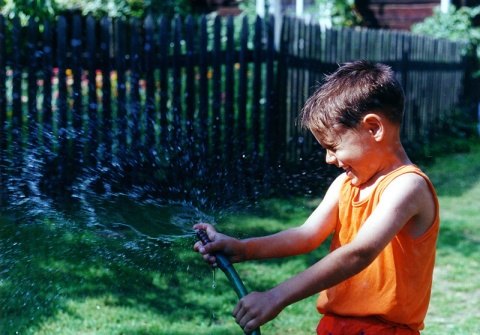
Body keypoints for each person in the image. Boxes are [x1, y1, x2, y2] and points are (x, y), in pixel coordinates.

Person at [193, 60, 440, 335]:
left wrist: (276, 296)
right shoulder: (344, 185)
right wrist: (243, 248)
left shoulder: (407, 186)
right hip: (334, 327)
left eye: (333, 146)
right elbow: (306, 235)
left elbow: (359, 253)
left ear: (373, 128)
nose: (328, 158)